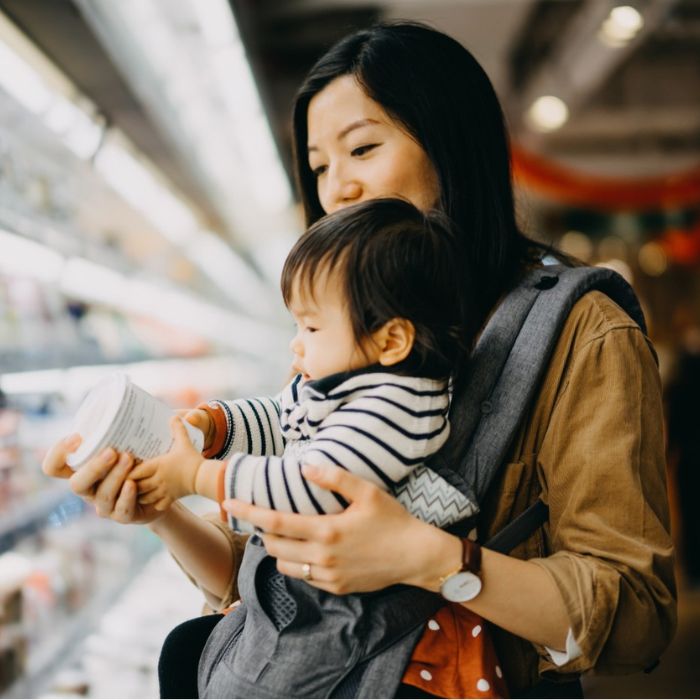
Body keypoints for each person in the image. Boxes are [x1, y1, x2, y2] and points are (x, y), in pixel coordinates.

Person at [42, 21, 676, 698]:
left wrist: (432, 560)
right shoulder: (344, 333)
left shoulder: (583, 332)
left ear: (451, 148)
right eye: (318, 166)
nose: (336, 188)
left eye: (362, 148)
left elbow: (636, 617)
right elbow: (277, 589)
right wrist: (162, 505)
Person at [127, 197, 506, 697]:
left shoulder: (397, 409)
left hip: (367, 621)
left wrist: (197, 477)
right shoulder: (353, 386)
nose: (296, 344)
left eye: (311, 326)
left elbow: (309, 487)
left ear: (391, 341)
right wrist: (215, 428)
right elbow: (282, 419)